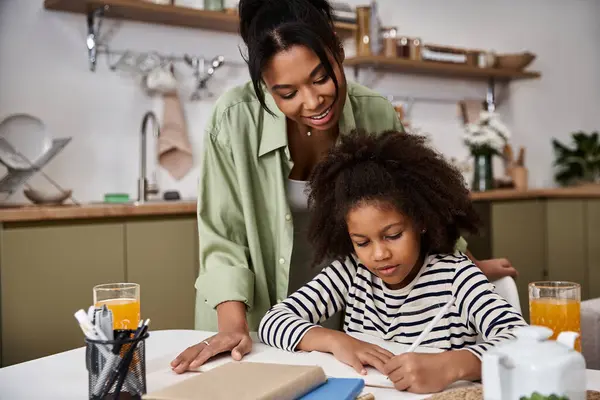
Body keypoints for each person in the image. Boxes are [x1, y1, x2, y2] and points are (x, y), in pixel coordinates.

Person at [170, 0, 517, 374]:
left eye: (321, 77)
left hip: (344, 328)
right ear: (265, 86)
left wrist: (459, 264)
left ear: (337, 47)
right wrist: (235, 329)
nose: (313, 100)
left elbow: (414, 196)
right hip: (258, 322)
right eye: (287, 93)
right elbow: (223, 238)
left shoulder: (375, 112)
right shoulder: (233, 119)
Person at [258, 130, 527, 394]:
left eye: (393, 235)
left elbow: (521, 341)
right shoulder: (351, 272)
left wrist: (452, 366)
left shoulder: (457, 277)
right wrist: (335, 340)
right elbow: (273, 322)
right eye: (362, 242)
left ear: (421, 221)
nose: (379, 254)